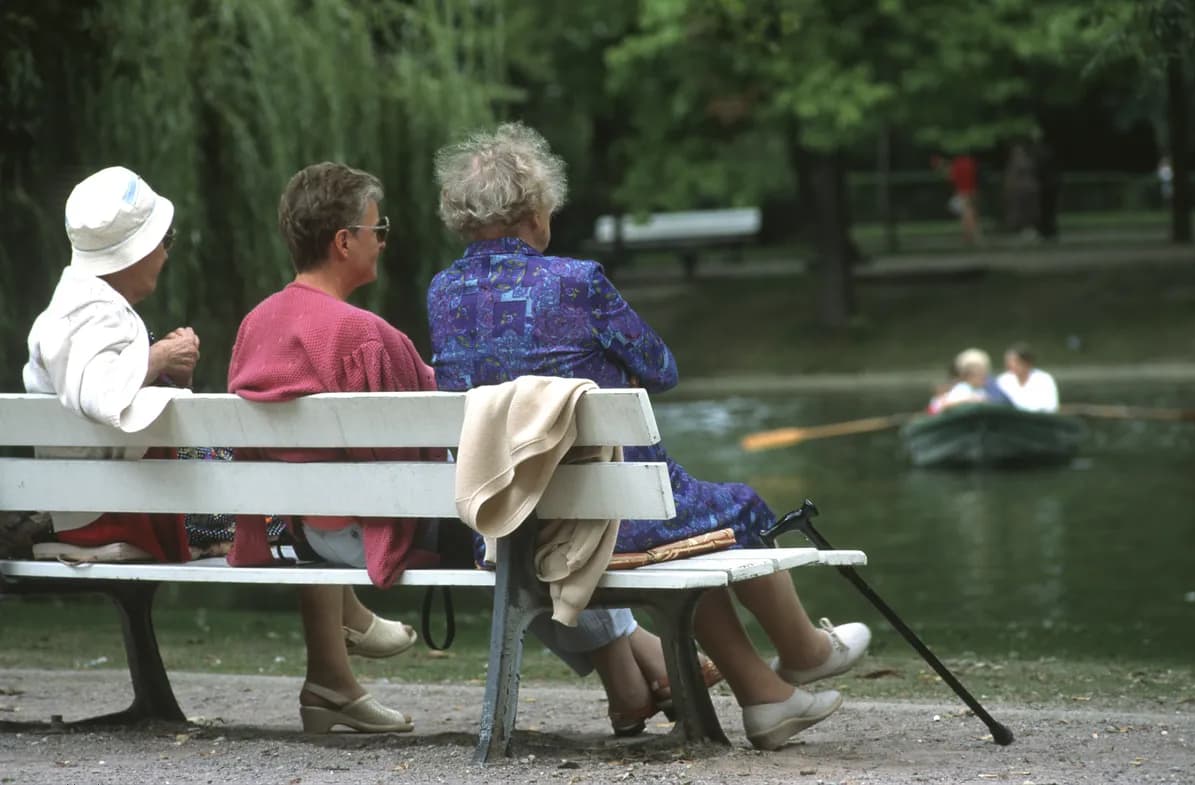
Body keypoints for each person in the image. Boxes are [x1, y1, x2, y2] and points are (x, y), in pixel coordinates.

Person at [427, 122, 871, 751]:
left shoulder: (442, 293)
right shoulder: (575, 281)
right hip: (613, 518)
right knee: (737, 506)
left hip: (511, 520)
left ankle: (768, 700)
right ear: (533, 212)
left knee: (690, 538)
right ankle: (804, 651)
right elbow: (661, 369)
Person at [227, 163, 431, 734]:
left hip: (299, 528)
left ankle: (335, 675)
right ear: (344, 242)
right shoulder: (363, 333)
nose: (383, 240)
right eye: (377, 228)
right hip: (361, 534)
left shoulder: (254, 324)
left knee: (321, 482)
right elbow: (420, 445)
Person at [23, 166, 200, 563]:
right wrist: (159, 357)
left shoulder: (74, 306)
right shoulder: (91, 313)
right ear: (134, 253)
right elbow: (100, 393)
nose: (167, 253)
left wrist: (169, 371)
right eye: (164, 241)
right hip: (106, 507)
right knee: (250, 491)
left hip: (96, 495)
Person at [939, 348, 1012, 409]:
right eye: (978, 374)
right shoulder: (961, 388)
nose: (983, 377)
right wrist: (970, 400)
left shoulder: (990, 388)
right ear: (968, 376)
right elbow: (945, 405)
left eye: (983, 374)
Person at [997, 343, 1059, 413]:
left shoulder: (1044, 380)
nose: (1010, 365)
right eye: (1008, 361)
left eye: (1015, 361)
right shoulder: (1003, 380)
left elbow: (1050, 407)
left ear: (1027, 362)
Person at [935, 153, 981, 246]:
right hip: (971, 191)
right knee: (969, 214)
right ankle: (971, 237)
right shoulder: (970, 163)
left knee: (967, 215)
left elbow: (950, 177)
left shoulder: (957, 165)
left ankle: (971, 237)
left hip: (963, 192)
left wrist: (941, 167)